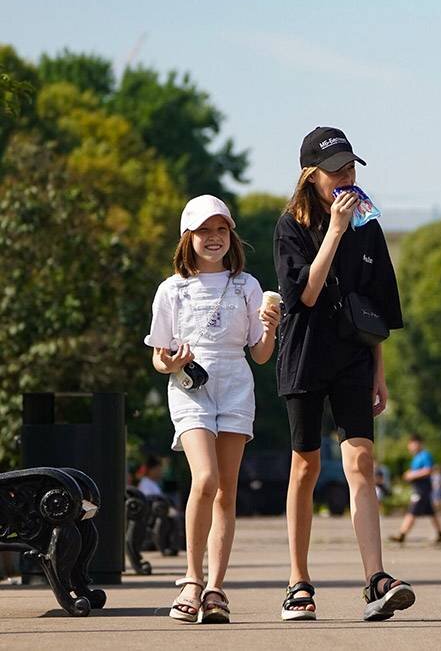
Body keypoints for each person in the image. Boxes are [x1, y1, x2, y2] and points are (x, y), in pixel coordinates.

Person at [273, 127, 413, 622]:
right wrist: (333, 230)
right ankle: (297, 581)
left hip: (355, 357)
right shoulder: (290, 226)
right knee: (306, 466)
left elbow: (377, 311)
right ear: (312, 177)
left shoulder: (370, 227)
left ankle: (376, 577)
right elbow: (305, 296)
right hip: (306, 355)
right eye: (336, 172)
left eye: (351, 169)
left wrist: (380, 373)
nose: (346, 179)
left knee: (362, 462)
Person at [145, 194, 280, 623]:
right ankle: (191, 579)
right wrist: (171, 362)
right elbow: (158, 356)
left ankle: (217, 589)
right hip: (191, 386)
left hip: (236, 382)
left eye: (221, 229)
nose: (214, 237)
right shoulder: (172, 288)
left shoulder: (247, 285)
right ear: (189, 236)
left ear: (231, 235)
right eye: (205, 230)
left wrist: (271, 330)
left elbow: (259, 355)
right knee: (204, 478)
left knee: (227, 488)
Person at [389, 434, 441, 544]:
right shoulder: (416, 457)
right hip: (419, 487)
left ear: (418, 443)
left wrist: (411, 475)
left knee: (412, 511)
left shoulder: (425, 455)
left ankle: (402, 534)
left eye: (412, 444)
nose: (410, 447)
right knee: (431, 512)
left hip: (422, 488)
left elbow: (428, 470)